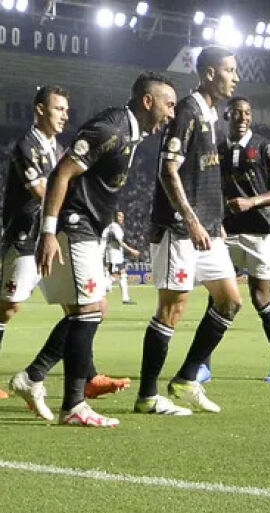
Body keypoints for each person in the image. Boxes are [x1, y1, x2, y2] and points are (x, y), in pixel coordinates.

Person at [31, 72, 176, 427]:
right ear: (148, 101)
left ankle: (35, 377)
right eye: (168, 105)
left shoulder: (131, 133)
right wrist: (49, 232)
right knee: (88, 309)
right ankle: (73, 405)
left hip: (89, 229)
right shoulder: (110, 129)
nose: (171, 114)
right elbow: (60, 175)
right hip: (74, 223)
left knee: (93, 308)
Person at [3, 86, 130, 409]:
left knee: (86, 309)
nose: (65, 115)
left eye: (66, 109)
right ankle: (49, 378)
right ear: (40, 110)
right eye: (58, 109)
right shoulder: (26, 146)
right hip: (27, 240)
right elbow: (43, 191)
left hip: (55, 237)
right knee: (7, 308)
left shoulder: (56, 147)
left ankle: (83, 378)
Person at [136, 46, 241, 416]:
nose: (236, 76)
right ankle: (147, 395)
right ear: (209, 73)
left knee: (230, 302)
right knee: (172, 309)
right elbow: (169, 170)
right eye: (230, 70)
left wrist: (214, 222)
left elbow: (205, 175)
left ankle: (185, 377)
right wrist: (193, 220)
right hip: (179, 229)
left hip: (208, 231)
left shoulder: (214, 115)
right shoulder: (187, 112)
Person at [197, 96, 270, 384]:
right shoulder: (217, 150)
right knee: (217, 297)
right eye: (237, 112)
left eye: (247, 113)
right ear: (227, 116)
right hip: (226, 232)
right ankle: (202, 364)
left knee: (260, 297)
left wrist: (252, 202)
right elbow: (209, 188)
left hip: (260, 232)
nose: (242, 117)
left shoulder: (266, 148)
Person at [102, 211, 141, 304]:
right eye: (120, 216)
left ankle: (125, 298)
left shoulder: (110, 226)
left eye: (123, 216)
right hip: (114, 255)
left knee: (122, 275)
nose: (122, 218)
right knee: (115, 276)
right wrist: (132, 250)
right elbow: (120, 242)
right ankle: (101, 289)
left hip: (115, 255)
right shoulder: (115, 227)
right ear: (115, 217)